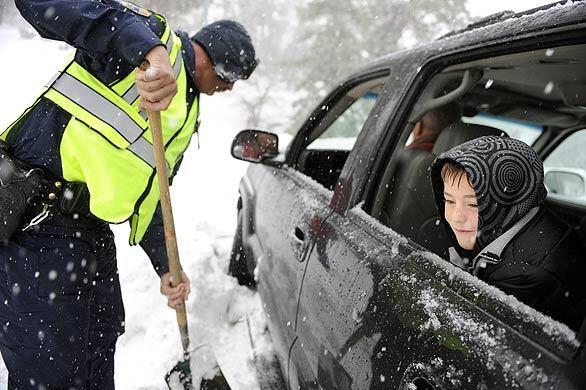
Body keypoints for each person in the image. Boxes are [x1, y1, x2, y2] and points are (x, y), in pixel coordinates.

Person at [0, 1, 258, 388]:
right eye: (230, 77)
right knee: (50, 368)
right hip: (39, 222)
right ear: (210, 56)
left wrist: (165, 266)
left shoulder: (186, 112)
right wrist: (145, 48)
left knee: (99, 345)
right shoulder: (150, 40)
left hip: (87, 233)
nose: (229, 88)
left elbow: (150, 196)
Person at [430, 135, 586, 330]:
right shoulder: (524, 218)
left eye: (473, 203)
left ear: (507, 198)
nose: (455, 217)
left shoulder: (522, 275)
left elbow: (477, 340)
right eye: (449, 201)